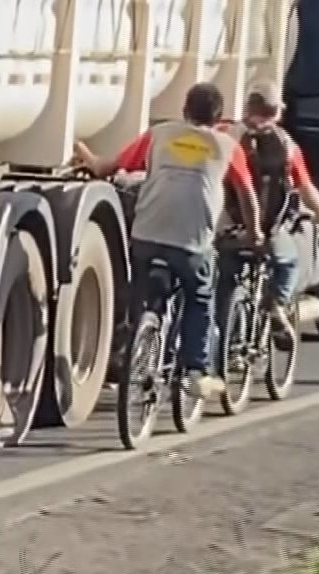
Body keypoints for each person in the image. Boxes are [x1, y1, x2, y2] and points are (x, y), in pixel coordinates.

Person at [73, 82, 262, 401]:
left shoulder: (159, 135)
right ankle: (196, 371)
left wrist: (83, 150)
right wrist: (254, 234)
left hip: (146, 234)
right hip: (192, 243)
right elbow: (248, 197)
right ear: (219, 119)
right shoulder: (228, 147)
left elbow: (106, 167)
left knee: (141, 288)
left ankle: (134, 340)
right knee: (200, 295)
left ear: (184, 111)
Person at [221, 81, 319, 347]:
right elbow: (305, 187)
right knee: (289, 261)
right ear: (276, 112)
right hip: (267, 230)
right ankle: (277, 306)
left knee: (224, 276)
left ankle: (222, 335)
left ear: (249, 105)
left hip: (228, 225)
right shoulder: (286, 145)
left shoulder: (228, 136)